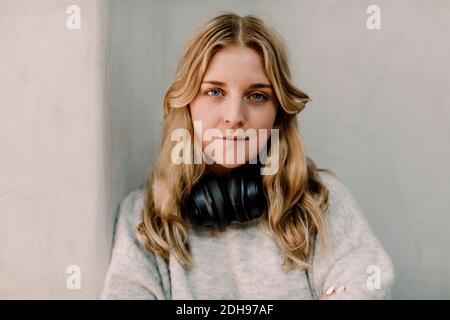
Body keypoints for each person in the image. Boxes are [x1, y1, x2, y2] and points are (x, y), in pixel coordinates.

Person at [101, 12, 394, 300]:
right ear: (187, 103)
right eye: (214, 92)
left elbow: (368, 285)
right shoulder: (141, 217)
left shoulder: (320, 200)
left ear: (278, 112)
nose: (234, 117)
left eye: (257, 96)